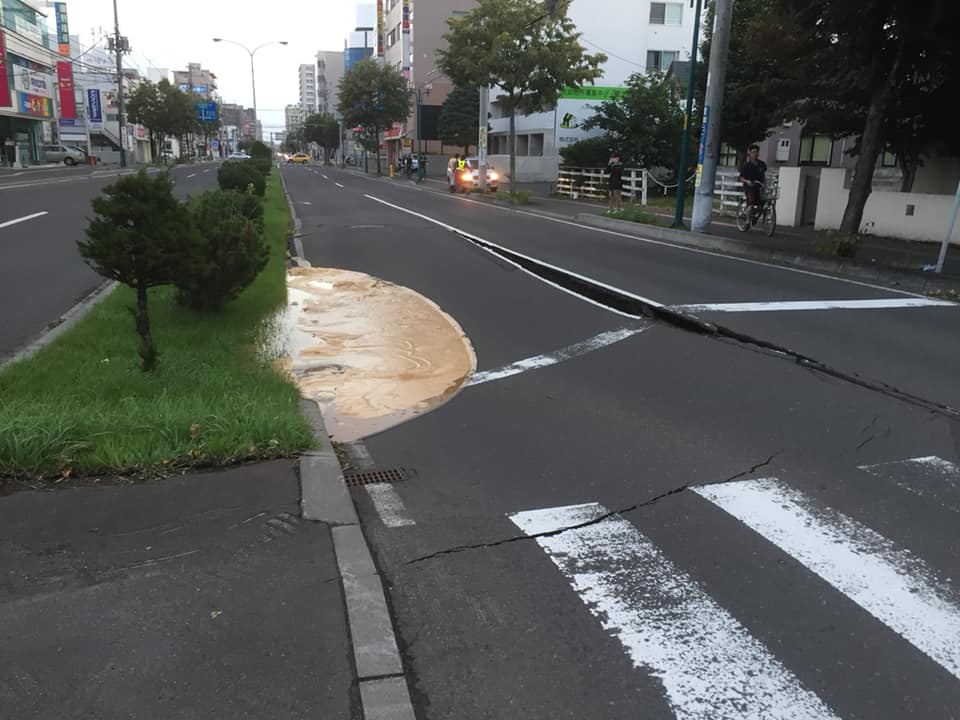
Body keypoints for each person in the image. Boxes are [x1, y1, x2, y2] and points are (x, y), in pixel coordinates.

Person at [739, 143, 767, 224]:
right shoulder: (746, 165)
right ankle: (747, 221)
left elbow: (763, 175)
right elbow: (741, 177)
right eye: (753, 152)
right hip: (749, 187)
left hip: (758, 186)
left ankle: (755, 217)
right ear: (749, 153)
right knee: (751, 204)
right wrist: (747, 181)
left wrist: (764, 183)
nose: (756, 154)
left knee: (762, 205)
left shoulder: (762, 164)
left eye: (757, 152)